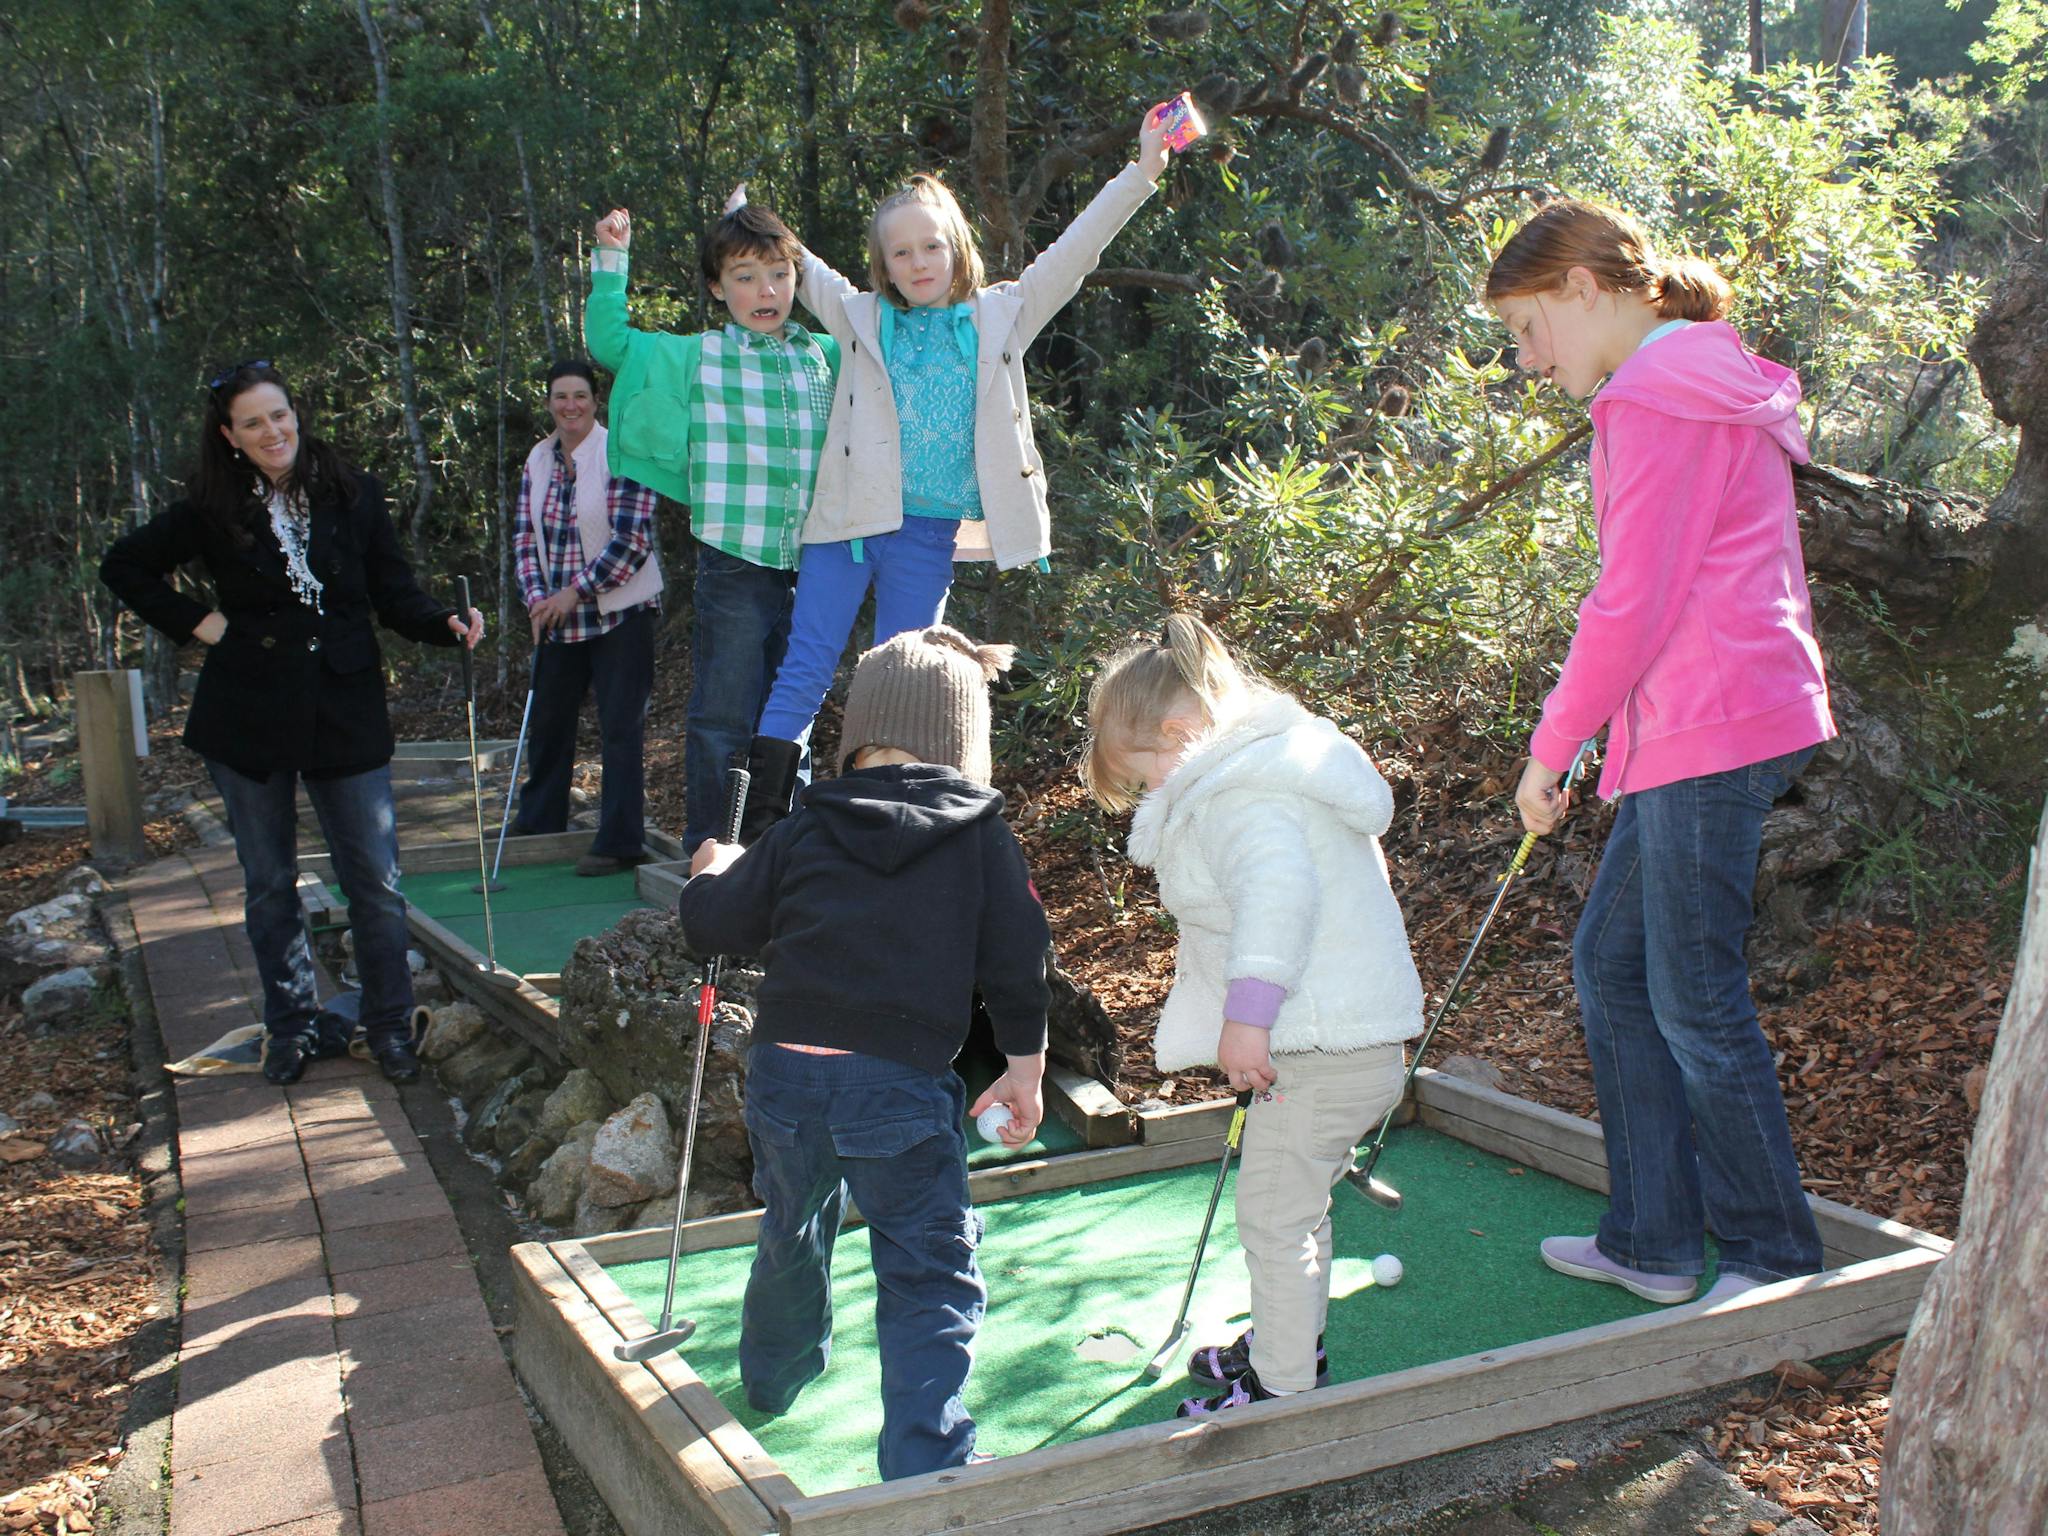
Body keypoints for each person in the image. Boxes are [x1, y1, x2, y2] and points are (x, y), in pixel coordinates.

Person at [1486, 199, 1836, 1305]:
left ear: (1583, 291)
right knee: (1610, 964)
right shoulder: (1686, 375)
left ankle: (1774, 1254)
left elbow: (1630, 600)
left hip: (1710, 719)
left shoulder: (1650, 394)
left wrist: (1554, 746)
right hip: (1702, 717)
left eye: (1530, 329)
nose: (1529, 360)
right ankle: (1650, 1237)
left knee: (1692, 995)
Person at [734, 105, 1177, 837]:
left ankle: (891, 828)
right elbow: (801, 267)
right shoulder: (863, 317)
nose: (918, 263)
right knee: (805, 668)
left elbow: (1076, 252)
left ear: (957, 247)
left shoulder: (1001, 316)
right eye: (901, 253)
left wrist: (1143, 170)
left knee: (908, 683)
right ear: (884, 265)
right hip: (846, 526)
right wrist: (749, 219)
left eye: (931, 246)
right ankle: (762, 835)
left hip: (926, 535)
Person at [678, 625, 1049, 1477]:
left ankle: (774, 1377)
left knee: (793, 1221)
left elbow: (711, 924)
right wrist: (1021, 1067)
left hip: (784, 1075)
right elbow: (1019, 962)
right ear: (966, 740)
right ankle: (926, 1458)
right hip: (898, 1085)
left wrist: (711, 867)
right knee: (927, 1269)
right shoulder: (980, 834)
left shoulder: (805, 828)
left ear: (857, 737)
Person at [1079, 614, 1425, 1416]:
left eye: (1145, 774)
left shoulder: (1239, 796)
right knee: (1294, 1208)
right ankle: (1286, 1340)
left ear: (1178, 732)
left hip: (1316, 1048)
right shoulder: (1273, 770)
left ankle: (1282, 1388)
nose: (1151, 792)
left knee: (1274, 1219)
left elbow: (1279, 901)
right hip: (1347, 1043)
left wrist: (1248, 1018)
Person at [101, 360, 483, 1086]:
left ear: (295, 415)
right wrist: (201, 624)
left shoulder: (353, 492)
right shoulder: (210, 509)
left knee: (375, 880)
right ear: (230, 436)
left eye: (278, 415)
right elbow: (124, 565)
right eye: (252, 423)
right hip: (248, 712)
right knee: (270, 882)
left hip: (345, 707)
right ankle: (290, 1030)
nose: (271, 432)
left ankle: (390, 1027)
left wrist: (445, 623)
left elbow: (393, 591)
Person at [583, 201, 839, 856]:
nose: (766, 292)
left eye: (780, 275)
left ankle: (784, 853)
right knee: (724, 716)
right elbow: (611, 344)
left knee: (795, 719)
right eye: (747, 276)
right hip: (735, 560)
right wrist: (612, 260)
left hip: (816, 566)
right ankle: (712, 855)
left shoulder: (826, 355)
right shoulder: (698, 357)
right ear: (717, 286)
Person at [510, 358, 663, 876]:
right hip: (558, 615)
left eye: (579, 395)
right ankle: (540, 822)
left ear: (595, 401)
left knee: (621, 727)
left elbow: (632, 541)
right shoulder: (537, 459)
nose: (569, 405)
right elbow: (524, 538)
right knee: (550, 723)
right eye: (560, 396)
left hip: (620, 612)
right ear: (549, 402)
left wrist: (573, 592)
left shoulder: (620, 451)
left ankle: (621, 841)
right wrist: (537, 597)